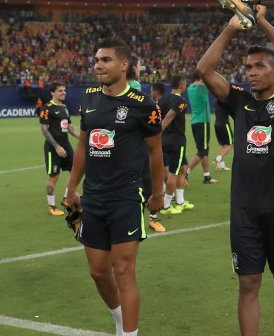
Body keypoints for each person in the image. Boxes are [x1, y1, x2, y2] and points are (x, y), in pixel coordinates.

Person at [197, 5, 274, 336]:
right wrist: (232, 28)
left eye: (260, 66)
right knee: (248, 283)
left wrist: (260, 21)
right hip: (243, 206)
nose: (251, 72)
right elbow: (204, 69)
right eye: (248, 67)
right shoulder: (239, 101)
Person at [65, 37, 165, 336]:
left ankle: (129, 334)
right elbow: (82, 145)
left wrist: (157, 192)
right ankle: (120, 318)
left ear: (124, 65)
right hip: (92, 197)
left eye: (106, 60)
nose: (98, 65)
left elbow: (155, 151)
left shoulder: (143, 105)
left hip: (126, 196)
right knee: (98, 272)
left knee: (123, 271)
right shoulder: (90, 97)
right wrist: (72, 187)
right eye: (96, 60)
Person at [130, 55, 166, 233]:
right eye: (138, 66)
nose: (139, 69)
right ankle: (152, 218)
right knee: (146, 180)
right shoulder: (135, 87)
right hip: (138, 143)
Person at [40, 82, 80, 216]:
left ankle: (66, 199)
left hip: (66, 145)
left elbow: (69, 127)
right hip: (53, 147)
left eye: (64, 90)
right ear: (52, 93)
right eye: (60, 91)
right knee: (54, 177)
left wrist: (82, 138)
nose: (63, 92)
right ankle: (51, 207)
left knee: (75, 171)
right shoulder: (47, 108)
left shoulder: (64, 107)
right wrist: (56, 146)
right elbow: (44, 130)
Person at [156, 77, 195, 214]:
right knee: (174, 172)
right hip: (176, 141)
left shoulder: (162, 100)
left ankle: (180, 201)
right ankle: (166, 206)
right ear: (182, 85)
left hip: (165, 141)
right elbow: (169, 116)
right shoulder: (181, 101)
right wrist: (159, 131)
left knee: (184, 168)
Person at [187, 71, 219, 184]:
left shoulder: (190, 87)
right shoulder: (202, 87)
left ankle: (207, 176)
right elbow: (213, 84)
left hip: (195, 122)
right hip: (203, 122)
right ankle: (186, 172)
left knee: (204, 149)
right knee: (203, 150)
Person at [213, 101, 233, 171]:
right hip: (224, 124)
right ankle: (217, 159)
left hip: (217, 124)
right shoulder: (224, 101)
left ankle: (221, 166)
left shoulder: (216, 102)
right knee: (230, 145)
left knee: (223, 145)